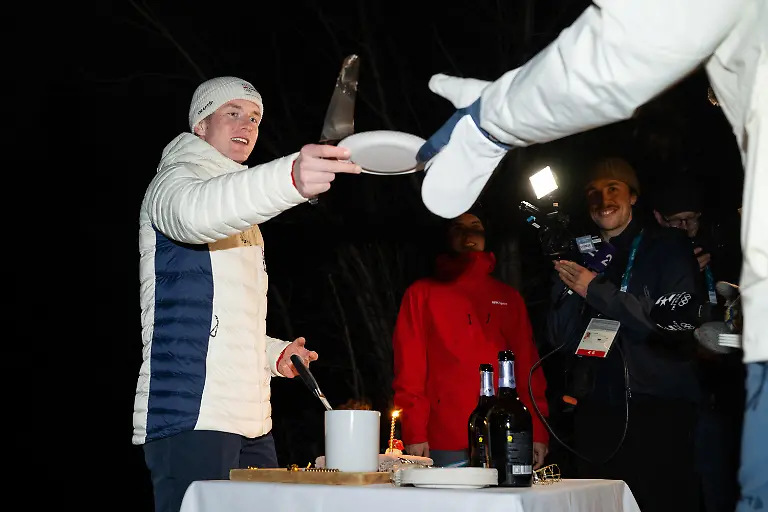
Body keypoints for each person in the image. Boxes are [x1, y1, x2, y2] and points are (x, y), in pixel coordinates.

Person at [417, 1, 766, 509]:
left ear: (633, 196)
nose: (604, 200)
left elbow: (673, 326)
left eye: (615, 189)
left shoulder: (668, 247)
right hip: (598, 411)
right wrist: (568, 288)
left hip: (659, 408)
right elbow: (560, 340)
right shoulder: (583, 253)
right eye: (595, 193)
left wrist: (595, 289)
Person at [133, 76, 361, 512]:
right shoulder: (174, 182)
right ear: (200, 126)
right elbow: (192, 216)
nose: (246, 125)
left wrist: (273, 354)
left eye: (254, 118)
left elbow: (223, 322)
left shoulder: (239, 209)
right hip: (193, 414)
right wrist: (290, 176)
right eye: (231, 113)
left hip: (251, 419)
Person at [392, 207, 550, 468]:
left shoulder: (508, 297)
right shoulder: (421, 294)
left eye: (475, 225)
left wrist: (538, 431)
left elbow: (528, 369)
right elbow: (409, 369)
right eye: (457, 227)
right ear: (446, 237)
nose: (468, 234)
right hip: (443, 438)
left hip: (504, 433)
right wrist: (415, 431)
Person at [652, 176, 745, 512]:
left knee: (720, 482)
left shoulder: (718, 250)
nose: (687, 227)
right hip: (675, 389)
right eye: (678, 220)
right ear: (660, 218)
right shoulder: (654, 254)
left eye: (693, 218)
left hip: (722, 390)